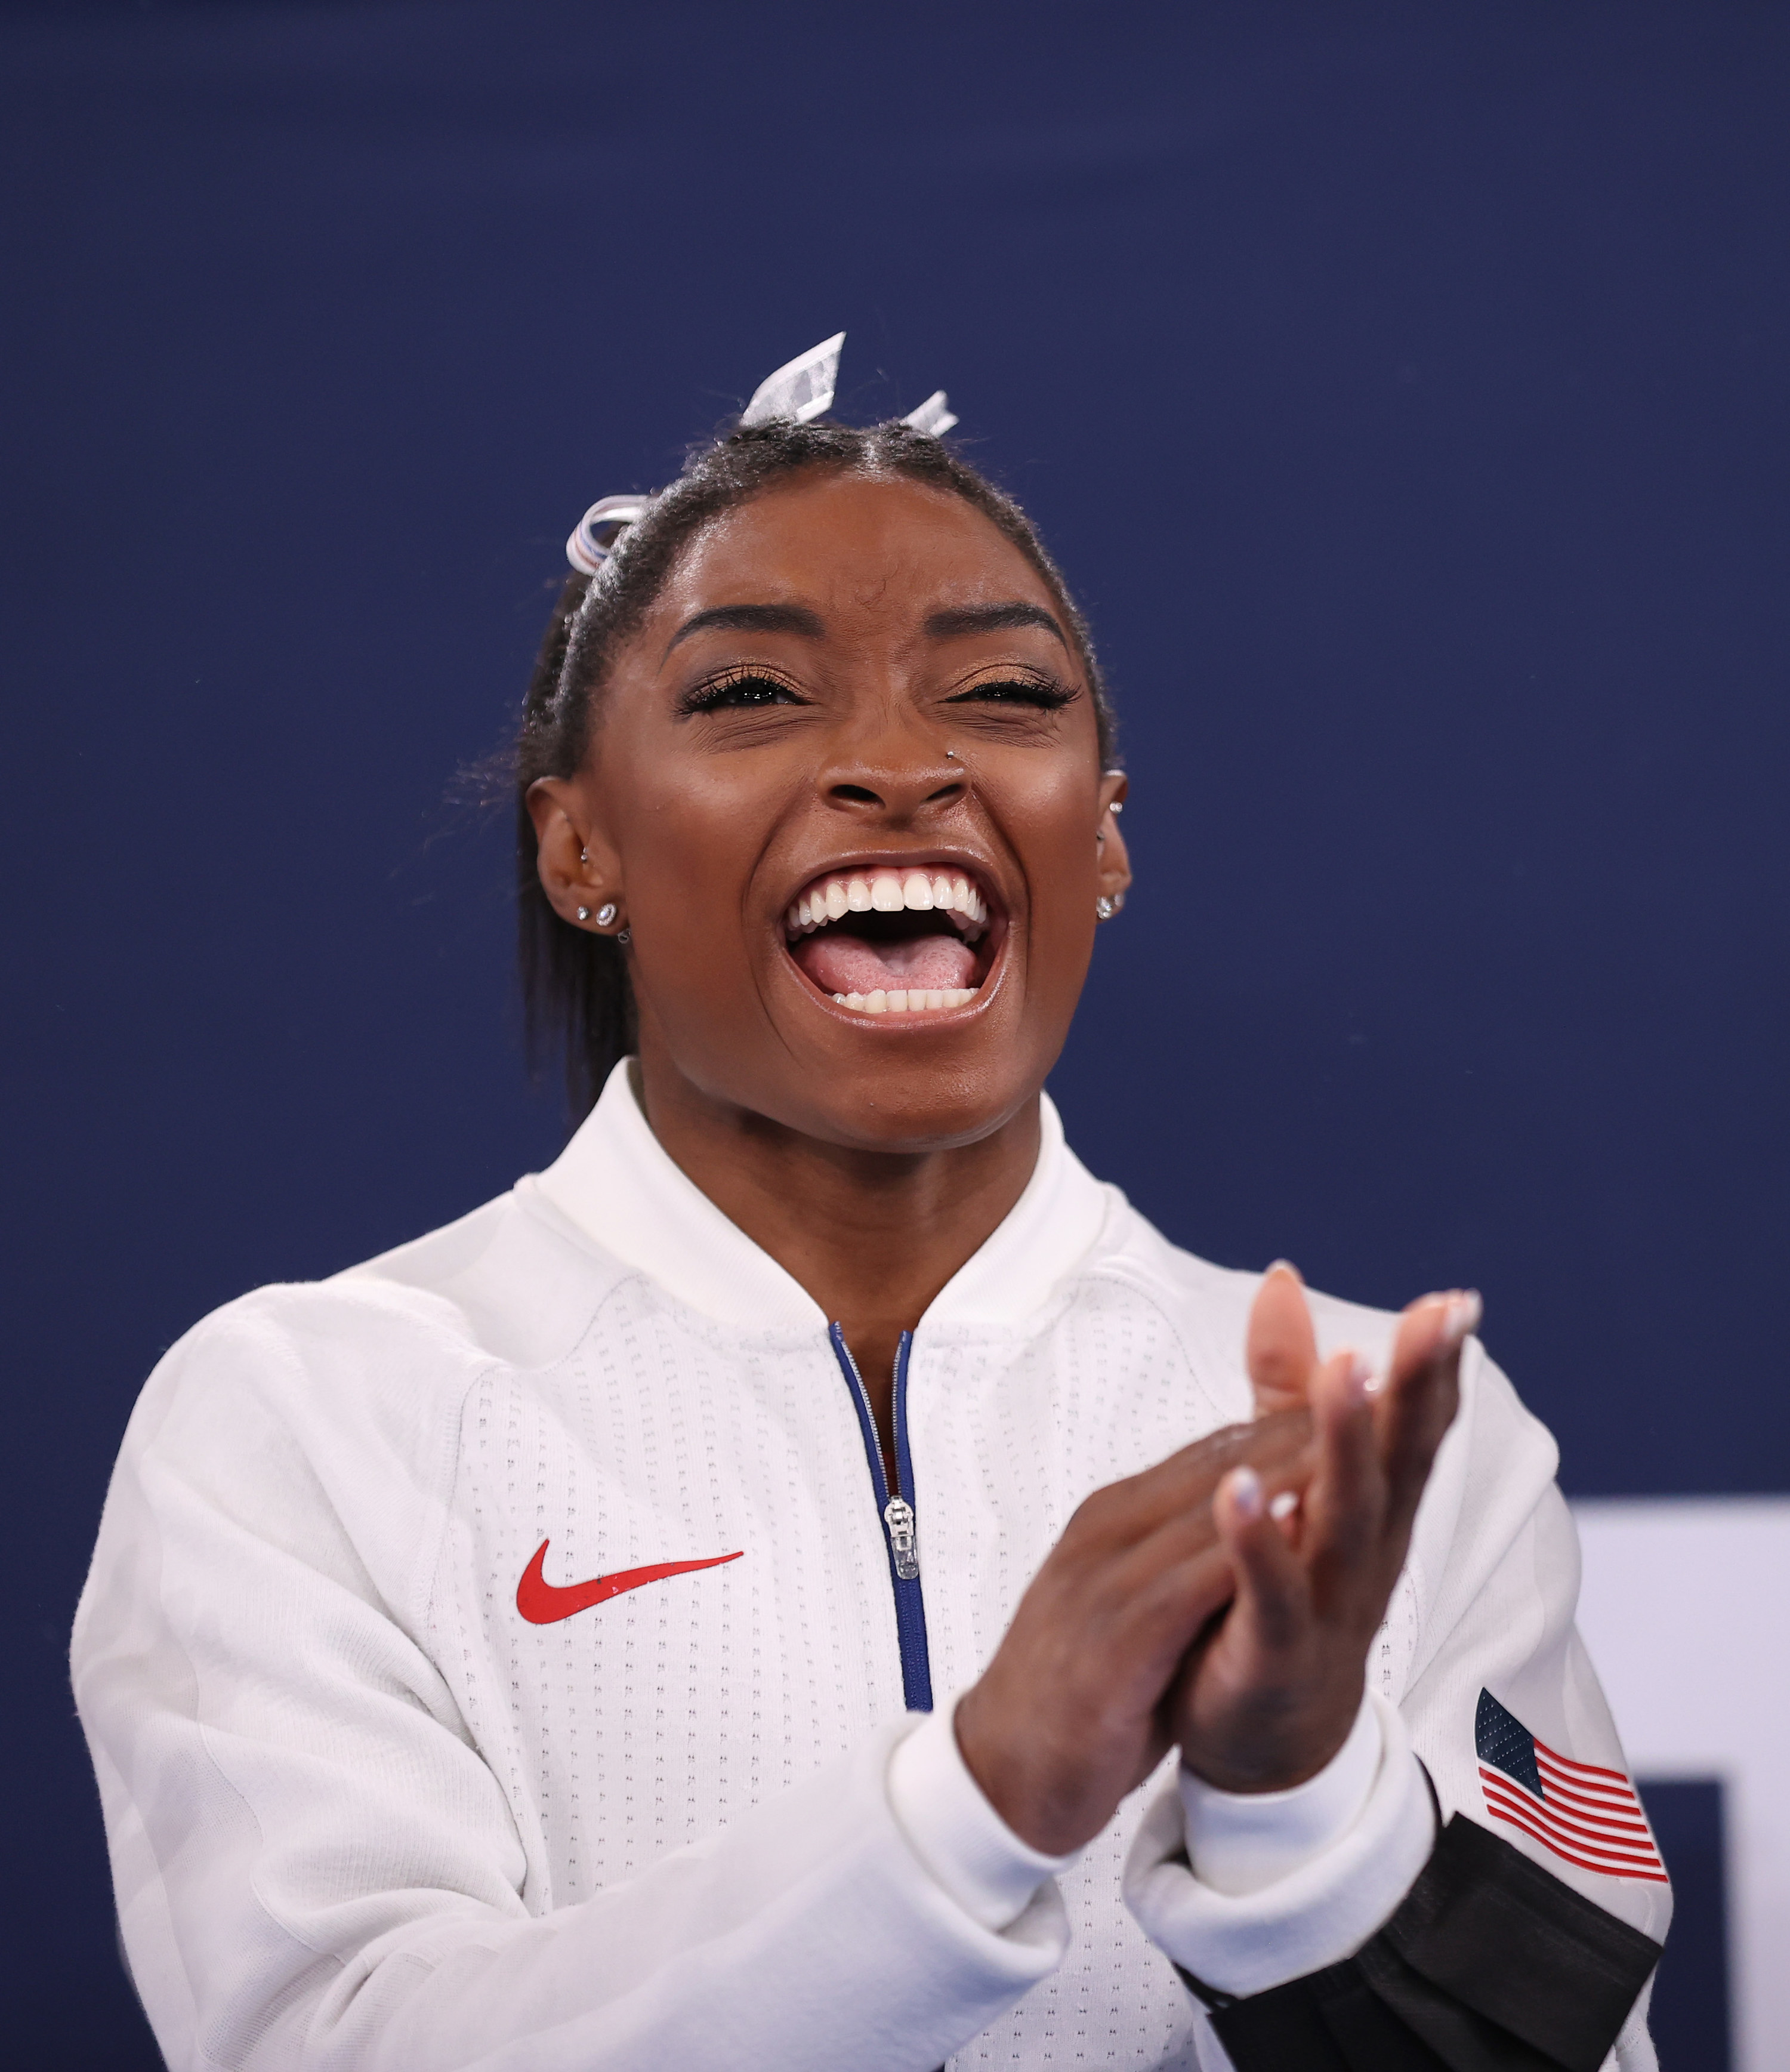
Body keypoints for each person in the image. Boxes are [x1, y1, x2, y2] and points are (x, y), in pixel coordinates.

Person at [73, 340, 1671, 2071]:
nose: (902, 766)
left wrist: (1297, 1811)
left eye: (1003, 696)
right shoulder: (307, 1419)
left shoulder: (1395, 1451)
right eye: (752, 696)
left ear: (1106, 838)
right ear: (578, 846)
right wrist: (972, 1809)